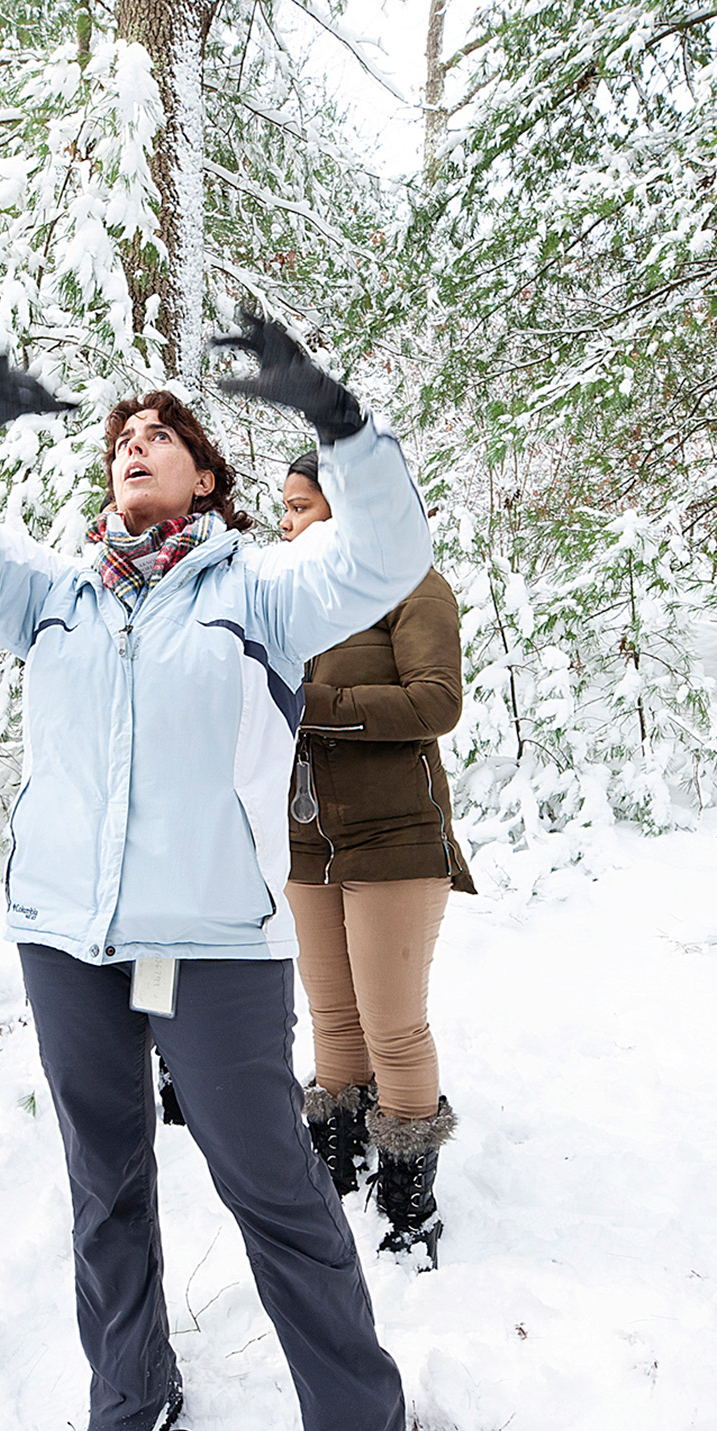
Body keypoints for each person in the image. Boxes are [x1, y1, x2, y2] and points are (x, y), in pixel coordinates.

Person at [0, 306, 435, 1431]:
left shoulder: (264, 588)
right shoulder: (56, 592)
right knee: (105, 1181)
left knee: (274, 1190)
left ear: (205, 472)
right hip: (65, 935)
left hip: (214, 941)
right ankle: (127, 1397)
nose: (133, 445)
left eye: (159, 435)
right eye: (120, 437)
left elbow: (386, 555)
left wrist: (340, 419)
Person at [278, 451, 474, 1267]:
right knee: (333, 1020)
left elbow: (437, 699)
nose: (288, 521)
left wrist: (310, 706)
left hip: (394, 834)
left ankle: (407, 1195)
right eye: (282, 508)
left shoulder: (406, 580)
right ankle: (339, 1157)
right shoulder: (284, 596)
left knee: (392, 1024)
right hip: (305, 837)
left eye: (301, 505)